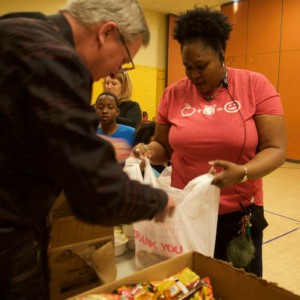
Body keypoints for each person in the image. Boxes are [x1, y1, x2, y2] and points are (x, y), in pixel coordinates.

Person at [0, 1, 175, 299]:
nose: (114, 71)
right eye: (122, 61)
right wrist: (157, 200)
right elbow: (93, 192)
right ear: (106, 32)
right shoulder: (57, 60)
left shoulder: (18, 26)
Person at [132, 6, 287, 277]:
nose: (193, 75)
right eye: (188, 67)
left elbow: (276, 149)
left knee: (237, 286)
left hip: (238, 216)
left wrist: (243, 172)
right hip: (186, 212)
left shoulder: (255, 85)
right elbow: (163, 148)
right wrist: (146, 151)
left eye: (201, 66)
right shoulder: (173, 93)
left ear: (221, 55)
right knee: (190, 282)